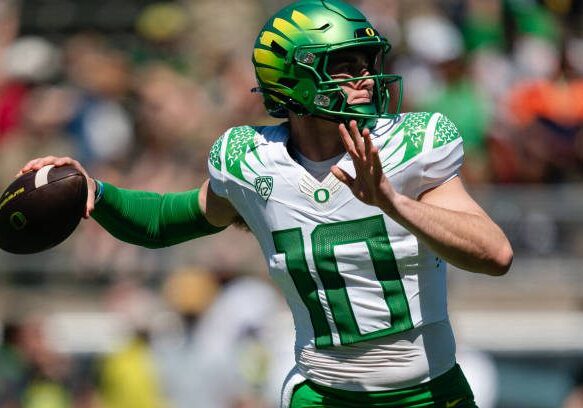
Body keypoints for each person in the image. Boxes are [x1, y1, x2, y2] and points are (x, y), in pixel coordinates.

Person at [18, 1, 513, 407]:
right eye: (343, 66)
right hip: (323, 396)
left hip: (430, 393)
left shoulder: (413, 144)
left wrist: (392, 202)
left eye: (366, 62)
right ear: (294, 79)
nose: (364, 77)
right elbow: (167, 221)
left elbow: (495, 255)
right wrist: (96, 192)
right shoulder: (252, 163)